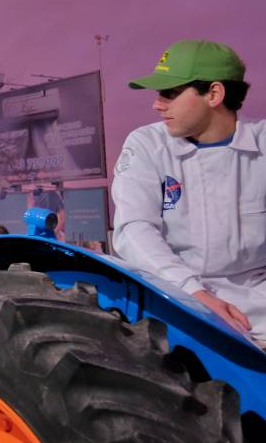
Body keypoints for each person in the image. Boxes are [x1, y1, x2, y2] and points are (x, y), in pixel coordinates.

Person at [112, 39, 265, 345]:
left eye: (170, 93)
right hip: (174, 300)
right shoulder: (146, 144)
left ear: (214, 93)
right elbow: (134, 229)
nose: (157, 104)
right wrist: (195, 293)